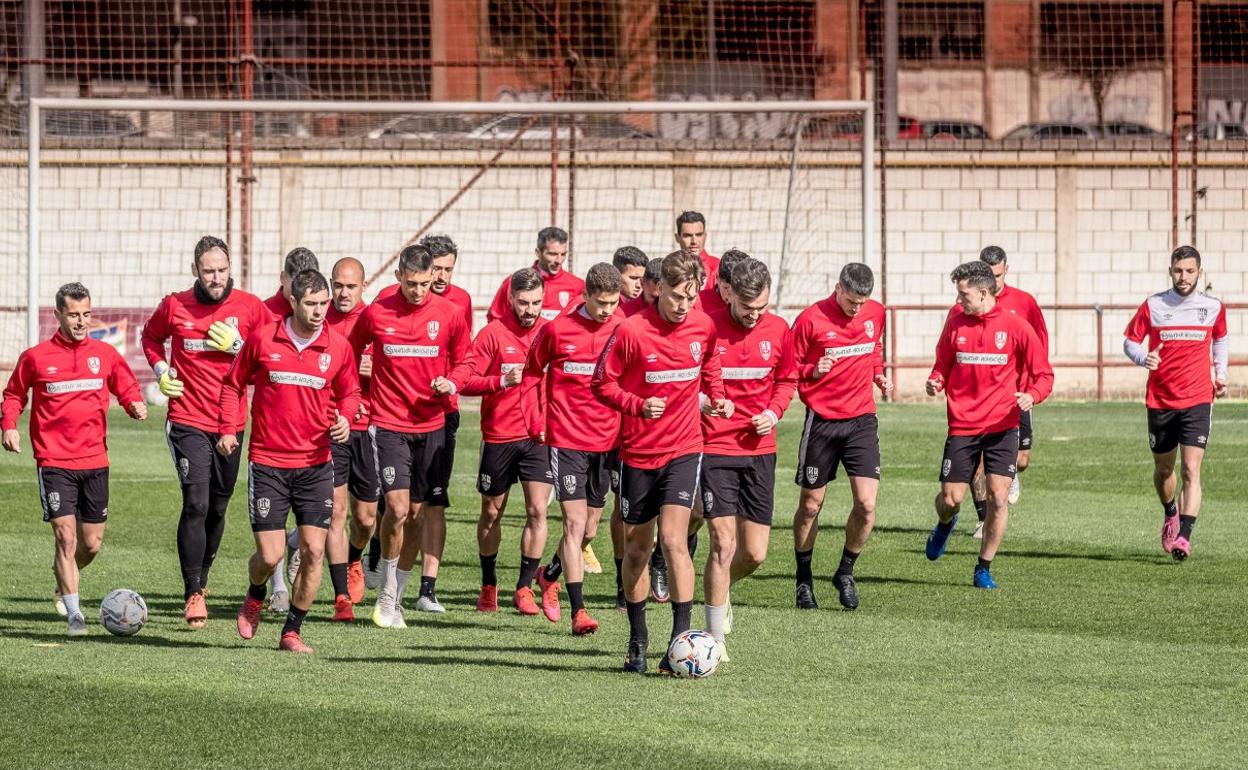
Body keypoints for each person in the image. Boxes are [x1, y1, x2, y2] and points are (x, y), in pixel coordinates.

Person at [593, 250, 730, 674]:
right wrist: (635, 404)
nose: (683, 305)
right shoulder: (631, 331)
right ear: (658, 290)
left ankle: (680, 642)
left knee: (673, 540)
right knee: (637, 548)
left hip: (685, 448)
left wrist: (718, 398)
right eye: (676, 296)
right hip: (637, 454)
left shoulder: (703, 327)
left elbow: (710, 365)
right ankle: (637, 639)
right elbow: (601, 382)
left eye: (691, 298)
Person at [220, 269, 361, 654]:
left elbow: (351, 392)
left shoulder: (338, 347)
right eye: (312, 304)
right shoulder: (264, 339)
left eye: (324, 304)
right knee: (270, 555)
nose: (319, 311)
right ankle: (254, 595)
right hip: (268, 462)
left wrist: (346, 419)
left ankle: (292, 631)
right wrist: (228, 429)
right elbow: (233, 384)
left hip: (316, 464)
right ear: (294, 302)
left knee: (315, 550)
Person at [2, 282, 147, 636]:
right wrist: (9, 426)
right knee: (65, 539)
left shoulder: (104, 354)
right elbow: (13, 394)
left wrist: (134, 403)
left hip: (95, 460)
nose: (81, 321)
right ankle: (75, 615)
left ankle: (64, 581)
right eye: (74, 315)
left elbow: (125, 385)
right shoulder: (36, 357)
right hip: (53, 461)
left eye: (86, 314)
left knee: (91, 544)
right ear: (58, 315)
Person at [140, 235, 268, 628]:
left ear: (232, 269)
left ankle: (204, 573)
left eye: (222, 270)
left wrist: (241, 346)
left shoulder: (251, 307)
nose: (216, 278)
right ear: (195, 269)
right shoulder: (175, 305)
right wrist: (161, 371)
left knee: (217, 506)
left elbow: (271, 357)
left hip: (231, 422)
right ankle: (193, 590)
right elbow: (150, 338)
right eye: (209, 271)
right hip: (186, 419)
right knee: (195, 502)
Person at [349, 244, 470, 628]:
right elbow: (348, 351)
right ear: (399, 276)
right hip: (387, 424)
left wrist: (450, 382)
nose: (418, 291)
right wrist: (353, 393)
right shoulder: (377, 313)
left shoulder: (449, 314)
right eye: (412, 283)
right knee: (397, 509)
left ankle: (398, 593)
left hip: (431, 425)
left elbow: (466, 360)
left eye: (425, 283)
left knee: (417, 515)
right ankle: (385, 593)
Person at [924, 261, 1053, 589]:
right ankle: (945, 522)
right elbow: (943, 362)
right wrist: (936, 380)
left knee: (998, 497)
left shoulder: (1015, 326)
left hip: (1002, 425)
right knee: (951, 498)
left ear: (983, 292)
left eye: (963, 293)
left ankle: (983, 567)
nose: (959, 299)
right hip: (962, 426)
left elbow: (1044, 374)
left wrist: (1033, 395)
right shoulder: (955, 319)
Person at [435, 268, 553, 616]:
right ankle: (489, 584)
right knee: (491, 512)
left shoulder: (551, 332)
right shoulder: (493, 333)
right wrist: (501, 380)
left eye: (535, 303)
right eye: (523, 302)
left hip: (539, 437)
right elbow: (467, 379)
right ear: (510, 299)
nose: (529, 310)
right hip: (499, 436)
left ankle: (524, 587)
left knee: (537, 510)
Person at [521, 263, 625, 635]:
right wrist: (535, 421)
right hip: (567, 441)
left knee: (589, 530)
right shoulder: (557, 330)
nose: (607, 310)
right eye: (600, 302)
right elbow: (532, 373)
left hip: (609, 440)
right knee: (574, 522)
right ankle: (579, 612)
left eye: (613, 302)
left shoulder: (623, 328)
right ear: (585, 295)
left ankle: (549, 575)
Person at [699, 258, 796, 659]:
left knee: (754, 553)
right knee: (723, 543)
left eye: (761, 308)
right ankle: (713, 638)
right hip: (715, 447)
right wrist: (708, 402)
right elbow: (690, 381)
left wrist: (773, 413)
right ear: (729, 295)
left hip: (760, 451)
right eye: (745, 308)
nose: (754, 316)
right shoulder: (707, 328)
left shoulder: (779, 330)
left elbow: (788, 379)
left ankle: (722, 592)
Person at [789, 263, 893, 610]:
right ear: (838, 288)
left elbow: (873, 348)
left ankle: (845, 571)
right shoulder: (810, 320)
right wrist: (812, 370)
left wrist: (878, 375)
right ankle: (804, 580)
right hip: (822, 422)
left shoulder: (875, 313)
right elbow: (788, 370)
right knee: (810, 505)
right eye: (851, 302)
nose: (857, 309)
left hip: (862, 420)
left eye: (862, 303)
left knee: (866, 505)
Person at [1123, 245, 1227, 561]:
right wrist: (1143, 356)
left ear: (1199, 272)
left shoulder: (1212, 307)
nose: (1184, 277)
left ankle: (1184, 536)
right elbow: (1129, 340)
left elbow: (1220, 339)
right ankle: (1171, 512)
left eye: (1190, 271)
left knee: (1191, 470)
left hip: (1197, 399)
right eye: (1178, 271)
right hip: (1161, 400)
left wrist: (1220, 373)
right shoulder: (1154, 305)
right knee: (1164, 469)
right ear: (1171, 271)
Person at [954, 246, 1050, 535]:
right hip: (979, 402)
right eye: (987, 275)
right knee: (978, 462)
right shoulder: (965, 307)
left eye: (997, 275)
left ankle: (1009, 473)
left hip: (1016, 397)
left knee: (1021, 460)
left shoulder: (1025, 302)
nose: (992, 281)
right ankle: (984, 519)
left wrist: (1034, 388)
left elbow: (1039, 346)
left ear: (1006, 269)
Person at [260, 246, 320, 611]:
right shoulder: (263, 313)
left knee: (337, 513)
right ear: (284, 282)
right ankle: (278, 587)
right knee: (273, 518)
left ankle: (297, 544)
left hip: (320, 434)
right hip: (275, 433)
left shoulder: (322, 313)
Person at [320, 257, 380, 622]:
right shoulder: (317, 318)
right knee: (336, 513)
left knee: (366, 518)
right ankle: (341, 595)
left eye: (351, 286)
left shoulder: (374, 320)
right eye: (338, 286)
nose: (343, 293)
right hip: (331, 427)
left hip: (369, 427)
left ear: (363, 286)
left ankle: (356, 558)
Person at [486, 227, 584, 322]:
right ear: (538, 252)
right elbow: (495, 317)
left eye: (563, 254)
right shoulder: (515, 281)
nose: (559, 260)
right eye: (552, 254)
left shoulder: (577, 286)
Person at [697, 248, 751, 317]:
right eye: (726, 288)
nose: (731, 295)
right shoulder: (699, 301)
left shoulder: (752, 304)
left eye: (738, 289)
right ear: (718, 280)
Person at [674, 211, 719, 291]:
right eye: (687, 235)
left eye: (698, 235)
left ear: (705, 236)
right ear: (677, 238)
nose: (694, 241)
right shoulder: (670, 267)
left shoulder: (718, 267)